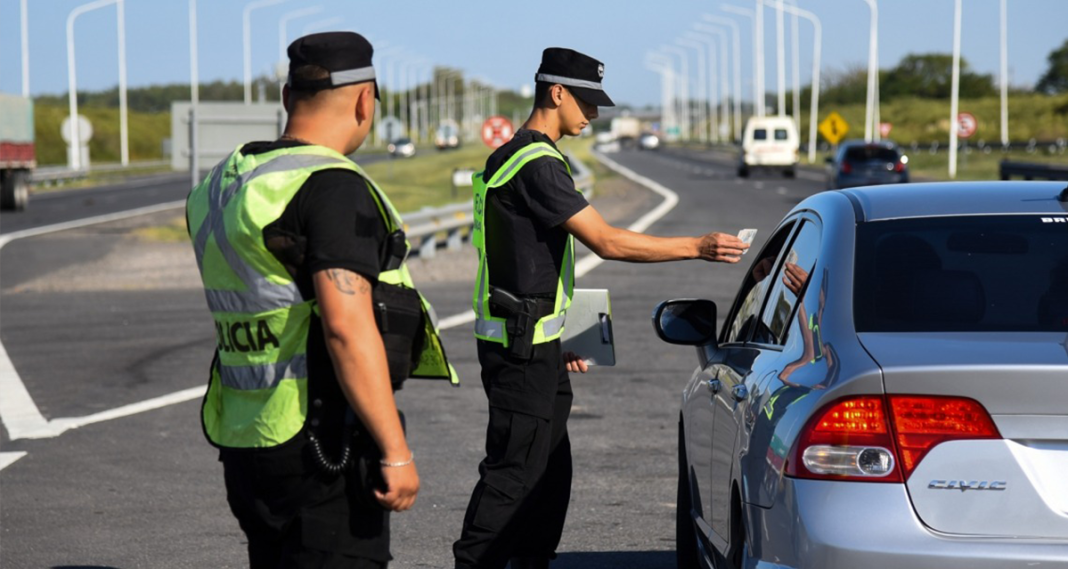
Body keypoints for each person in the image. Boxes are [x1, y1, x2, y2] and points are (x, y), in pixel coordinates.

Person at [454, 47, 749, 569]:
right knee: (514, 475)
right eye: (586, 102)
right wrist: (697, 247)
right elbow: (607, 242)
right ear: (557, 92)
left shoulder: (511, 155)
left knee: (548, 471)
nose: (592, 114)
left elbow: (522, 258)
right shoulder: (537, 164)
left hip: (531, 337)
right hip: (520, 347)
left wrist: (561, 333)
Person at [186, 32, 456, 569]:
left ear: (288, 99)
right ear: (365, 100)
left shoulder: (222, 185)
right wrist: (395, 450)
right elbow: (346, 329)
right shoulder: (330, 186)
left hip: (244, 435)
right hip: (321, 441)